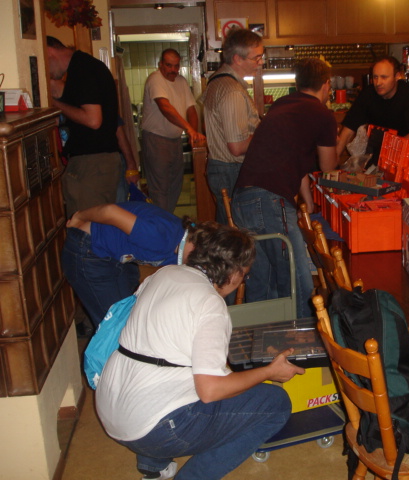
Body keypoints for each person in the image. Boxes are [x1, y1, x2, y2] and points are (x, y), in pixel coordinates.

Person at [96, 225, 304, 480]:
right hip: (155, 430)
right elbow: (211, 391)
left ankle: (153, 466)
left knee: (161, 370)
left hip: (110, 408)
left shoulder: (164, 273)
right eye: (245, 275)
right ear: (234, 273)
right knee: (275, 403)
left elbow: (171, 337)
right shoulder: (210, 304)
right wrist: (269, 372)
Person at [232, 58, 339, 318]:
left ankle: (264, 339)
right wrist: (341, 137)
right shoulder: (322, 114)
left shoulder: (282, 105)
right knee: (297, 284)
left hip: (243, 199)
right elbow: (328, 166)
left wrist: (308, 203)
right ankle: (302, 342)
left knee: (264, 285)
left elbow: (294, 159)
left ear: (298, 83)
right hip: (269, 200)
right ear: (326, 85)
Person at [62, 202, 195, 329]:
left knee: (128, 316)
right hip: (88, 249)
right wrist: (79, 217)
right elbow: (109, 211)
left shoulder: (186, 245)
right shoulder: (159, 237)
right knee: (116, 326)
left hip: (112, 255)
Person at [46, 36, 122, 218]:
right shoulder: (85, 66)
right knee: (95, 226)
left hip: (92, 164)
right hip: (99, 162)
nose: (47, 72)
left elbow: (93, 120)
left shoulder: (82, 69)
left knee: (87, 228)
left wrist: (56, 104)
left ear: (50, 52)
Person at [203, 29, 263, 225]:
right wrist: (267, 133)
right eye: (256, 58)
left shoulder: (216, 81)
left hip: (223, 169)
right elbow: (237, 147)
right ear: (237, 59)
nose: (260, 62)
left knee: (228, 232)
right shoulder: (232, 91)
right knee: (240, 232)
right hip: (232, 171)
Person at [141, 48, 206, 213]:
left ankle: (168, 220)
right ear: (160, 64)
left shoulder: (181, 81)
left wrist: (194, 133)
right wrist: (189, 129)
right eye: (169, 65)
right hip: (156, 140)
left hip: (174, 140)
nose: (173, 70)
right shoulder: (155, 79)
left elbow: (191, 110)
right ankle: (162, 224)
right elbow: (165, 107)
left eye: (176, 66)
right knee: (160, 188)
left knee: (175, 185)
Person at [336, 55, 409, 157]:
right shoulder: (368, 94)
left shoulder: (408, 93)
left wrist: (389, 151)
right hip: (377, 154)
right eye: (375, 77)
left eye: (384, 77)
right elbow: (348, 130)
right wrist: (334, 159)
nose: (378, 83)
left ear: (397, 76)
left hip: (407, 155)